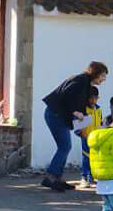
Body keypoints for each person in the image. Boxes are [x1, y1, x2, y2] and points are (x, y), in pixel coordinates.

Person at [40, 61, 109, 192]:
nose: (104, 79)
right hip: (55, 114)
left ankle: (57, 178)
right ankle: (50, 177)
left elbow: (80, 104)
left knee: (65, 146)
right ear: (96, 73)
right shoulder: (80, 80)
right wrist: (75, 112)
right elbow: (67, 96)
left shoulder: (86, 84)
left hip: (59, 116)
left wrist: (80, 122)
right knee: (65, 146)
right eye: (103, 75)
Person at [76, 86, 104, 189]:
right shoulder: (83, 109)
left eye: (95, 98)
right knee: (86, 157)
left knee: (95, 157)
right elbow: (77, 124)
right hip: (86, 137)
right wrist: (80, 132)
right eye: (90, 98)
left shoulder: (98, 109)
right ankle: (84, 177)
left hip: (96, 137)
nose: (93, 100)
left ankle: (92, 177)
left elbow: (100, 122)